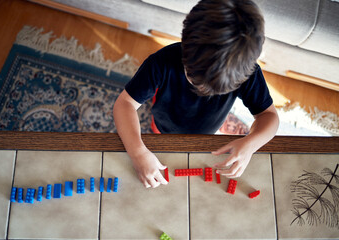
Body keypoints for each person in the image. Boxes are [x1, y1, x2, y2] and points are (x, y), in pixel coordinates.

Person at [113, 0, 279, 188]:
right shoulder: (160, 62)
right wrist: (138, 153)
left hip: (209, 127)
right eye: (195, 79)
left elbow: (270, 116)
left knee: (213, 131)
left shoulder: (248, 72)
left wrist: (250, 144)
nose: (202, 90)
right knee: (157, 135)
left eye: (216, 89)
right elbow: (124, 104)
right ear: (185, 41)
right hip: (164, 124)